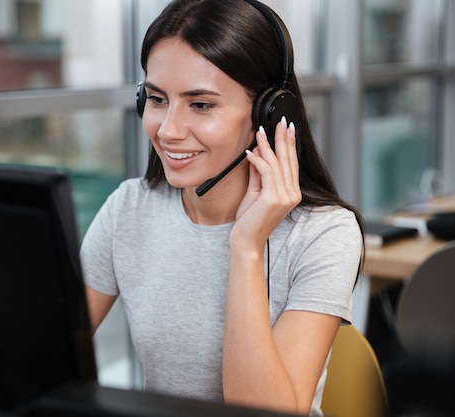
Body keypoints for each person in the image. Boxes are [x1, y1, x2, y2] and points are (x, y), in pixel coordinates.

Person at [79, 1, 364, 416]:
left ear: (269, 113)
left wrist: (247, 247)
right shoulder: (129, 208)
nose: (169, 130)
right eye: (157, 99)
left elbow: (267, 413)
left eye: (201, 105)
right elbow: (47, 350)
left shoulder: (324, 234)